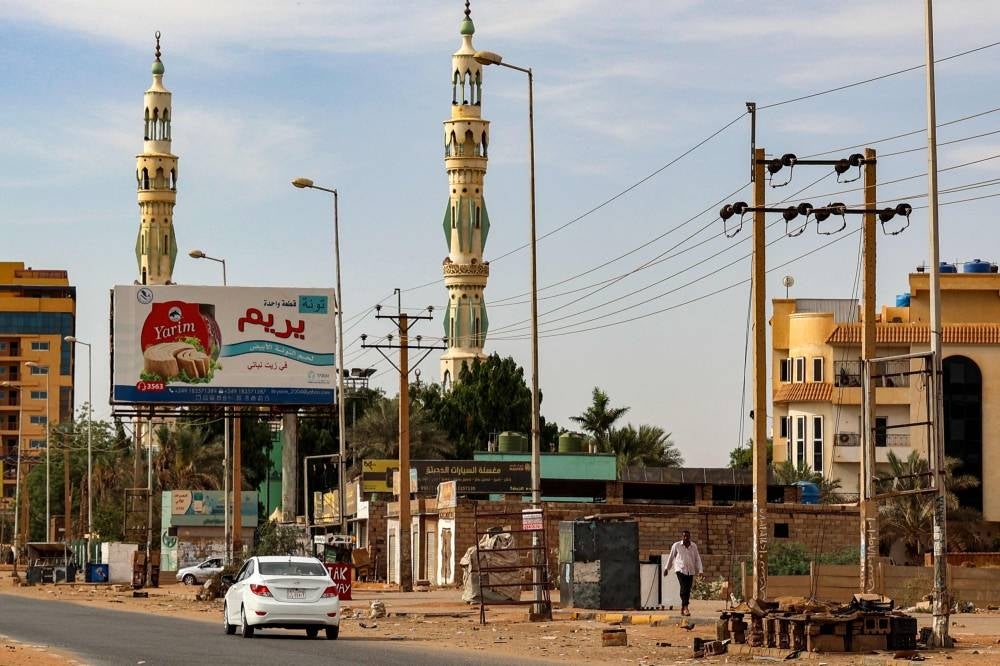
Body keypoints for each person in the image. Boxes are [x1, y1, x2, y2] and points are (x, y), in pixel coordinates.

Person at [664, 529, 703, 616]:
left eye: (687, 536)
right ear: (682, 537)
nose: (686, 538)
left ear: (689, 537)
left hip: (690, 570)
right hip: (680, 569)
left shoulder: (693, 546)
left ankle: (683, 607)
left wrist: (700, 570)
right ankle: (685, 607)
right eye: (684, 536)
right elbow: (671, 557)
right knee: (684, 587)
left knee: (688, 589)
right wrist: (667, 568)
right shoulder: (676, 545)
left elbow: (697, 558)